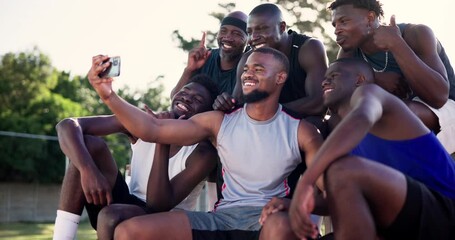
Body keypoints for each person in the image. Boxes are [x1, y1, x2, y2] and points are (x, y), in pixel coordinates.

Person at [87, 47, 324, 239]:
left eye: (259, 69)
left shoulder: (302, 132)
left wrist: (292, 205)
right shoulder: (218, 121)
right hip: (221, 219)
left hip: (266, 219)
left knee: (281, 227)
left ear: (280, 77)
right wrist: (108, 94)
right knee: (129, 232)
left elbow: (329, 195)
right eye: (247, 68)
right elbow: (153, 129)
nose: (248, 74)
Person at [265, 58, 455, 239]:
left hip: (442, 213)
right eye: (324, 78)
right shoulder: (340, 136)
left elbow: (362, 117)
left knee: (342, 171)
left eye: (334, 75)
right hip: (390, 222)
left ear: (359, 79)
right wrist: (295, 204)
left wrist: (307, 180)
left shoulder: (372, 95)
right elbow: (341, 200)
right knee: (278, 224)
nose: (325, 82)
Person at [52, 71, 219, 240]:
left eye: (197, 100)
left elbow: (158, 205)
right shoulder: (143, 122)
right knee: (89, 145)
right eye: (184, 92)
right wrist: (88, 171)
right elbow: (67, 126)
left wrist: (162, 139)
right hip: (129, 202)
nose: (187, 98)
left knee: (111, 216)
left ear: (205, 115)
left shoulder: (203, 153)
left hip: (166, 221)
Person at [329, 0, 455, 154]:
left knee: (394, 111)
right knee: (337, 119)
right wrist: (374, 78)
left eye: (343, 21)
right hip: (392, 111)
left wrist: (396, 44)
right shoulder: (349, 54)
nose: (337, 30)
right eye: (334, 25)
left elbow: (439, 97)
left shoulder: (416, 34)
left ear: (369, 18)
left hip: (444, 109)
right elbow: (335, 104)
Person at [214, 3, 328, 121]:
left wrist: (268, 111)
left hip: (300, 124)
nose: (253, 37)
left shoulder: (308, 48)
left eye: (261, 29)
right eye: (249, 32)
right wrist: (226, 104)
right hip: (262, 125)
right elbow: (239, 104)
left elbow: (319, 103)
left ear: (282, 27)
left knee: (315, 123)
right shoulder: (248, 59)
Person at [171, 11, 248, 97]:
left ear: (248, 40)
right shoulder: (205, 58)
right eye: (223, 31)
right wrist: (189, 70)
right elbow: (175, 97)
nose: (227, 37)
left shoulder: (250, 65)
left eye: (236, 34)